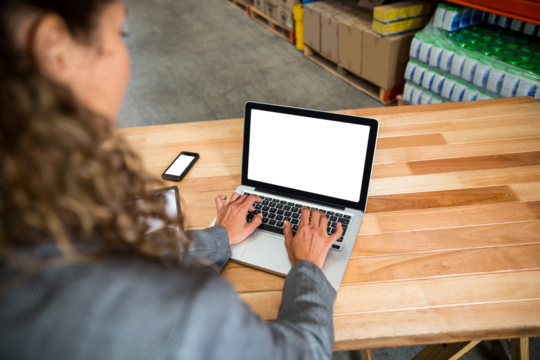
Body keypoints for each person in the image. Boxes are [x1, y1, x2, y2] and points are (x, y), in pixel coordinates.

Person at [0, 0, 344, 359]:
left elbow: (122, 257)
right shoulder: (181, 315)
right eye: (120, 33)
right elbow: (305, 353)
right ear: (56, 50)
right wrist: (306, 267)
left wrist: (219, 238)